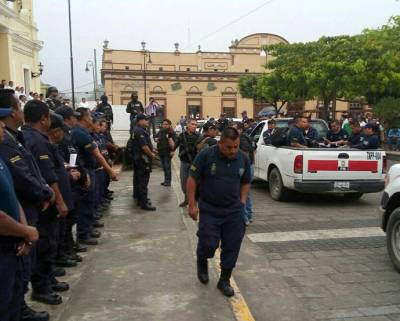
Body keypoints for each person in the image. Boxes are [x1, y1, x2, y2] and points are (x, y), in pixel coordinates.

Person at [0, 90, 53, 321]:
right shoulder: (8, 144)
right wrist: (45, 191)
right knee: (12, 280)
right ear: (13, 112)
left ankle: (20, 308)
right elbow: (23, 178)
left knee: (20, 272)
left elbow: (17, 183)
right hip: (11, 228)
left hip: (22, 218)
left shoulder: (15, 138)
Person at [187, 127, 251, 297]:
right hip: (210, 209)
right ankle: (202, 260)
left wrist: (242, 202)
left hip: (233, 211)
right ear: (221, 143)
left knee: (232, 245)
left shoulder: (242, 158)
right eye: (229, 147)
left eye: (236, 146)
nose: (233, 150)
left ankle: (224, 280)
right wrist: (192, 204)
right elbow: (192, 179)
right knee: (208, 244)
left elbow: (246, 182)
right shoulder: (207, 155)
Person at [22, 100, 70, 306]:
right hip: (46, 202)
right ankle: (42, 287)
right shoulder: (38, 141)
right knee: (45, 244)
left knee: (49, 243)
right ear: (44, 118)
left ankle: (48, 280)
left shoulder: (32, 138)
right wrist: (60, 201)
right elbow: (49, 176)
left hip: (44, 200)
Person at [0, 121, 39, 321]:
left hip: (15, 241)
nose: (2, 126)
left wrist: (25, 230)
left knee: (14, 298)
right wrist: (25, 232)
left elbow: (13, 197)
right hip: (4, 245)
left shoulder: (1, 159)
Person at [71, 108, 117, 245]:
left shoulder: (85, 132)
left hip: (90, 169)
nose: (92, 118)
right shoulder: (80, 133)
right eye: (90, 116)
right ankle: (83, 234)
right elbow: (96, 154)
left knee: (90, 202)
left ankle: (88, 229)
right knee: (85, 203)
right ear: (85, 118)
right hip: (87, 170)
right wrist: (110, 171)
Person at [131, 114, 156, 210]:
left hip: (139, 159)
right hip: (142, 160)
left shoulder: (138, 130)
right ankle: (143, 203)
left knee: (138, 180)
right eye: (146, 120)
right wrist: (151, 155)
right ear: (140, 121)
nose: (147, 122)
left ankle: (140, 198)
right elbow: (144, 147)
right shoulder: (139, 131)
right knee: (143, 181)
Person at [174, 119, 199, 207]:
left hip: (195, 164)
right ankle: (186, 199)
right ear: (187, 125)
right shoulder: (182, 136)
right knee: (184, 183)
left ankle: (193, 201)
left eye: (196, 125)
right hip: (184, 162)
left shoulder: (198, 136)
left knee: (194, 183)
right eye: (192, 124)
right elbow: (174, 146)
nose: (194, 126)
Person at [235, 123, 256, 225]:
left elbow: (246, 153)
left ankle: (244, 217)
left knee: (242, 193)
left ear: (240, 129)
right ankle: (249, 215)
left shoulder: (242, 138)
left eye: (235, 129)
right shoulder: (249, 136)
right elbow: (254, 149)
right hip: (250, 166)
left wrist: (243, 166)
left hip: (245, 167)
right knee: (246, 193)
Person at [155, 119, 176, 187]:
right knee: (164, 167)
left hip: (167, 152)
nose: (165, 125)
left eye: (166, 124)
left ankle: (168, 181)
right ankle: (166, 180)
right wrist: (156, 139)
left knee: (167, 167)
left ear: (169, 125)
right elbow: (155, 136)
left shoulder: (171, 132)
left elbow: (175, 143)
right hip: (161, 151)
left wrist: (173, 151)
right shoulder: (161, 131)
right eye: (164, 124)